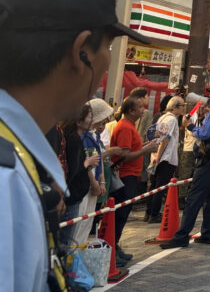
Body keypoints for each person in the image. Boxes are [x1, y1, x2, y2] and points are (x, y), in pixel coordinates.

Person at [0, 0, 150, 291]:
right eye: (108, 46)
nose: (108, 61)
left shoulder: (21, 158)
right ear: (81, 52)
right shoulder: (7, 181)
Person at [160, 83, 210, 248]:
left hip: (208, 160)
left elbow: (204, 134)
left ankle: (181, 236)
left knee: (194, 198)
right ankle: (208, 233)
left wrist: (191, 125)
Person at [111, 96, 161, 262]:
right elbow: (124, 156)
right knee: (120, 214)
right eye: (139, 107)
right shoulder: (125, 127)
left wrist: (147, 145)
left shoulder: (130, 125)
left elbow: (132, 149)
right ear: (131, 111)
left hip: (131, 174)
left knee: (123, 214)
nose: (143, 110)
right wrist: (146, 150)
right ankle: (111, 248)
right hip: (126, 175)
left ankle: (115, 246)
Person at [60, 104, 101, 245]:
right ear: (78, 121)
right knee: (66, 240)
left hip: (72, 195)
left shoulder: (71, 137)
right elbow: (73, 169)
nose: (92, 119)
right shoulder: (73, 140)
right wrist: (87, 162)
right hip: (71, 196)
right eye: (89, 116)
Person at [145, 96, 183, 222]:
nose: (184, 108)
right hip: (165, 158)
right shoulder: (171, 119)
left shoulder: (162, 117)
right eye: (182, 106)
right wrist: (158, 157)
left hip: (158, 156)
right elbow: (165, 139)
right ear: (175, 107)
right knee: (160, 187)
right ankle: (154, 214)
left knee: (153, 186)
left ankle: (149, 212)